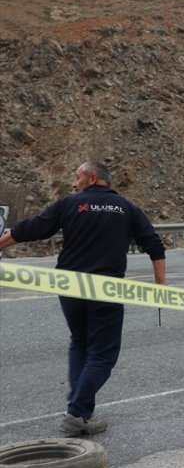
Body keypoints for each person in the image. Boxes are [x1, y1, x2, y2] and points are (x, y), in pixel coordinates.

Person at [0, 161, 167, 436]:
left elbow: (30, 228)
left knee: (80, 342)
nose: (73, 183)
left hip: (70, 288)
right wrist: (161, 288)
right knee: (102, 355)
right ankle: (77, 413)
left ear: (92, 178)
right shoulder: (126, 208)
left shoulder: (68, 204)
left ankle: (78, 409)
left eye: (77, 177)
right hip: (106, 290)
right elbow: (155, 246)